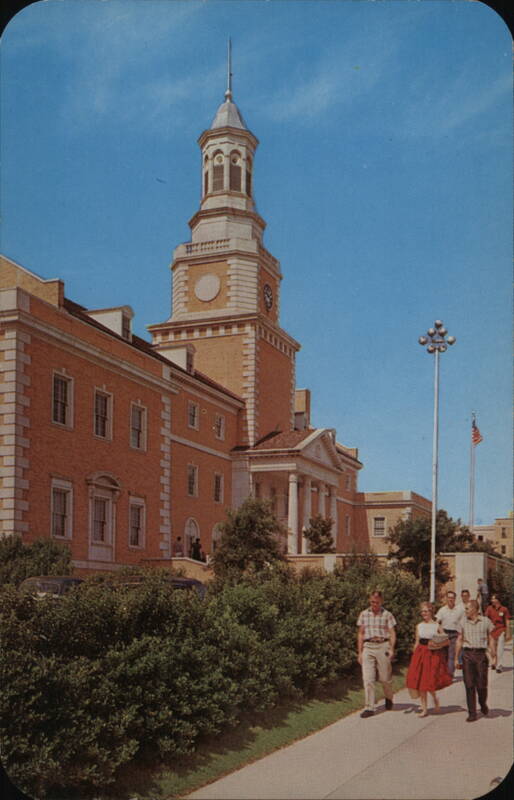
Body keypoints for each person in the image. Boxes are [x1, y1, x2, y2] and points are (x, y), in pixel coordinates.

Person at [406, 601, 452, 717]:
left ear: (431, 612)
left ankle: (435, 698)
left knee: (429, 680)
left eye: (426, 611)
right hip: (420, 653)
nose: (424, 613)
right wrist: (413, 657)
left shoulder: (437, 625)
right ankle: (424, 708)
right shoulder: (419, 626)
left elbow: (446, 640)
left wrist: (438, 645)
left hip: (433, 654)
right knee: (421, 681)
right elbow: (417, 642)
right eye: (422, 611)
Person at [357, 590, 396, 718]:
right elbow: (361, 634)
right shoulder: (364, 614)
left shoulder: (387, 614)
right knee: (368, 678)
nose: (374, 605)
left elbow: (392, 633)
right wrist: (360, 652)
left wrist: (391, 648)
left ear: (381, 601)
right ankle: (369, 707)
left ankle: (389, 697)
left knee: (385, 678)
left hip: (382, 645)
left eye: (377, 602)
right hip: (368, 646)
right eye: (372, 602)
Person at [455, 599, 496, 722]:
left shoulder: (486, 622)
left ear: (474, 609)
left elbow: (491, 639)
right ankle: (472, 713)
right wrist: (456, 658)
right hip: (467, 655)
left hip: (481, 655)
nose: (465, 611)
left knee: (482, 685)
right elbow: (459, 640)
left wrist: (494, 656)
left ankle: (482, 703)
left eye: (467, 609)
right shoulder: (462, 622)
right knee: (469, 684)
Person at [436, 590, 465, 677]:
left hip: (454, 634)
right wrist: (441, 631)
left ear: (455, 599)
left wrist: (461, 634)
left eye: (452, 598)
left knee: (451, 654)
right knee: (444, 655)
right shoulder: (442, 610)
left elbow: (463, 622)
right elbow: (437, 622)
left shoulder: (460, 610)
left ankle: (450, 674)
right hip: (444, 633)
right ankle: (444, 673)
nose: (450, 599)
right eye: (449, 598)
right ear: (446, 599)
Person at [486, 594, 510, 673]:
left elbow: (507, 621)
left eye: (494, 599)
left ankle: (499, 666)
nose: (492, 600)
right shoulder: (489, 609)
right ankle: (494, 660)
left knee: (500, 649)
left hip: (501, 630)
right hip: (492, 630)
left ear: (498, 600)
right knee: (492, 650)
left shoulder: (504, 609)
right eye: (492, 599)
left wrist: (508, 632)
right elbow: (486, 619)